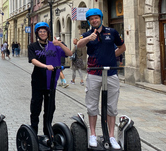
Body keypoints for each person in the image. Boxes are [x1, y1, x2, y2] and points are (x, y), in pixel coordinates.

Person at [76, 8, 125, 150]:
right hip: (93, 74)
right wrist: (88, 38)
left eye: (96, 18)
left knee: (111, 106)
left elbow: (122, 47)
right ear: (89, 21)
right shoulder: (86, 34)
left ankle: (111, 136)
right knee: (92, 105)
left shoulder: (112, 32)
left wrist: (111, 56)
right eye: (91, 19)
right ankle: (92, 134)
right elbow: (78, 45)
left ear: (101, 18)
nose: (94, 20)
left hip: (110, 74)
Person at [28, 22, 72, 135]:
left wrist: (60, 44)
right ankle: (33, 132)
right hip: (38, 80)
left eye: (44, 31)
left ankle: (47, 132)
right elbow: (33, 60)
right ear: (37, 33)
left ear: (48, 33)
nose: (42, 33)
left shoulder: (54, 45)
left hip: (51, 82)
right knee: (36, 107)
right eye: (40, 31)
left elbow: (69, 53)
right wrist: (45, 66)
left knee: (50, 108)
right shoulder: (33, 46)